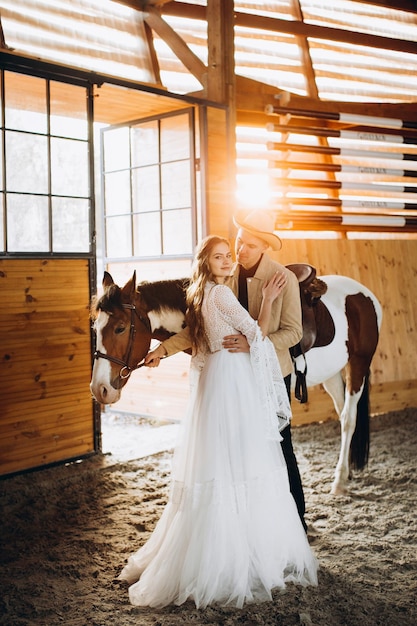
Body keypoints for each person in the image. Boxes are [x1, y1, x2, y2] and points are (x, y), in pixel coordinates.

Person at [118, 236, 317, 608]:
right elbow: (250, 332)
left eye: (232, 254)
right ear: (206, 261)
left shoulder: (202, 291)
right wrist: (163, 348)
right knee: (248, 456)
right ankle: (247, 542)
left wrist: (162, 350)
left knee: (220, 459)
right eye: (221, 255)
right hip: (230, 380)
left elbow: (246, 334)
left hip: (218, 379)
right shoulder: (222, 293)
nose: (230, 259)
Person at [146, 210, 307, 531]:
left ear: (263, 247)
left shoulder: (282, 279)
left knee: (278, 443)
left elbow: (294, 332)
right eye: (238, 243)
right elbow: (199, 330)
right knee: (236, 446)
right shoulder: (223, 277)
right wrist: (164, 349)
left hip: (267, 368)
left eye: (249, 245)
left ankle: (297, 521)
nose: (241, 251)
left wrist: (254, 344)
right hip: (230, 377)